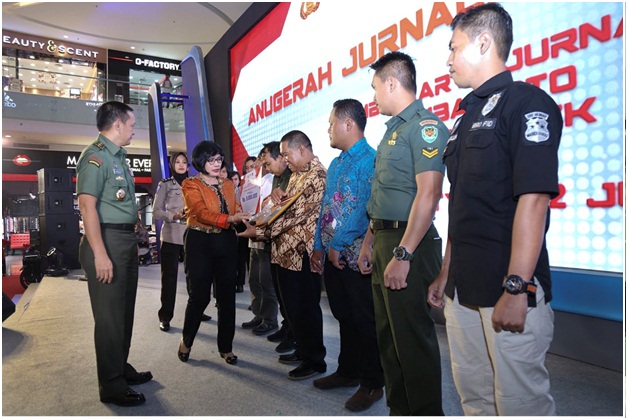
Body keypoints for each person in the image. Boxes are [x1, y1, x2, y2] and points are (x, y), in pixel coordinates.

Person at [427, 4, 562, 416]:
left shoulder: (526, 103)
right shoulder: (463, 118)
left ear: (484, 43)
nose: (448, 59)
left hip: (507, 288)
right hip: (463, 291)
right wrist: (446, 274)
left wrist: (516, 287)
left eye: (454, 47)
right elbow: (463, 205)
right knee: (476, 401)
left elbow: (534, 199)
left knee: (521, 406)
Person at [357, 51, 448, 416]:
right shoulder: (392, 132)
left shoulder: (425, 127)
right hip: (383, 240)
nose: (374, 95)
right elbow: (382, 196)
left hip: (408, 243)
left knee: (412, 339)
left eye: (376, 87)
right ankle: (400, 409)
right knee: (388, 337)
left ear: (392, 83)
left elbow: (428, 196)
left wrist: (404, 254)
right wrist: (368, 242)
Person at [76, 101, 152, 407]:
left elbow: (118, 202)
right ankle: (111, 385)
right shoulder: (95, 156)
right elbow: (87, 207)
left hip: (122, 239)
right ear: (117, 124)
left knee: (124, 313)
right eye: (132, 124)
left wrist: (137, 228)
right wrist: (100, 254)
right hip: (104, 241)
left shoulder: (119, 157)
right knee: (109, 319)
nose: (134, 129)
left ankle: (119, 368)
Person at [311, 99, 384, 412]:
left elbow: (365, 208)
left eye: (331, 123)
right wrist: (318, 244)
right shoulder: (338, 162)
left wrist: (338, 241)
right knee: (342, 315)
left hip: (356, 256)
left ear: (348, 124)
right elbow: (327, 206)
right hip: (332, 253)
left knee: (364, 319)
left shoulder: (370, 159)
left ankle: (372, 383)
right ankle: (347, 371)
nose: (328, 129)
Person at [239, 130, 327, 380]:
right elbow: (281, 208)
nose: (285, 160)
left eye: (287, 154)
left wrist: (258, 232)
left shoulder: (316, 175)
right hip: (284, 252)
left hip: (301, 254)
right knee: (293, 310)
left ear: (302, 149)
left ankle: (314, 360)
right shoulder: (297, 175)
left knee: (306, 310)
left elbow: (293, 217)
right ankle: (302, 350)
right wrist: (274, 196)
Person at [177, 141, 249, 365]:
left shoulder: (228, 184)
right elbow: (199, 212)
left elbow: (234, 207)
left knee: (227, 297)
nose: (217, 164)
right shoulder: (190, 184)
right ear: (201, 161)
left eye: (219, 159)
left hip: (226, 240)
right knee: (199, 296)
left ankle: (226, 347)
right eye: (211, 160)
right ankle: (186, 341)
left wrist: (242, 215)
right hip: (200, 241)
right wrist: (229, 219)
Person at [260, 141, 296, 354]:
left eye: (268, 162)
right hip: (274, 241)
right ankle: (286, 327)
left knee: (291, 295)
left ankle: (293, 334)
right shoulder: (276, 178)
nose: (266, 168)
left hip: (289, 242)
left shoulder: (293, 176)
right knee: (280, 291)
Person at [241, 150, 279, 336]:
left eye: (262, 158)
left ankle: (270, 319)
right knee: (254, 280)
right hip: (252, 236)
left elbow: (270, 209)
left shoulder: (272, 179)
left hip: (265, 235)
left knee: (266, 281)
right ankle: (258, 314)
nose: (258, 163)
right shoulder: (251, 182)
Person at [235, 156, 257, 293]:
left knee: (258, 268)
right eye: (247, 168)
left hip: (260, 227)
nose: (249, 170)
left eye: (252, 167)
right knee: (246, 261)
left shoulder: (265, 184)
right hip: (244, 225)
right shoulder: (241, 189)